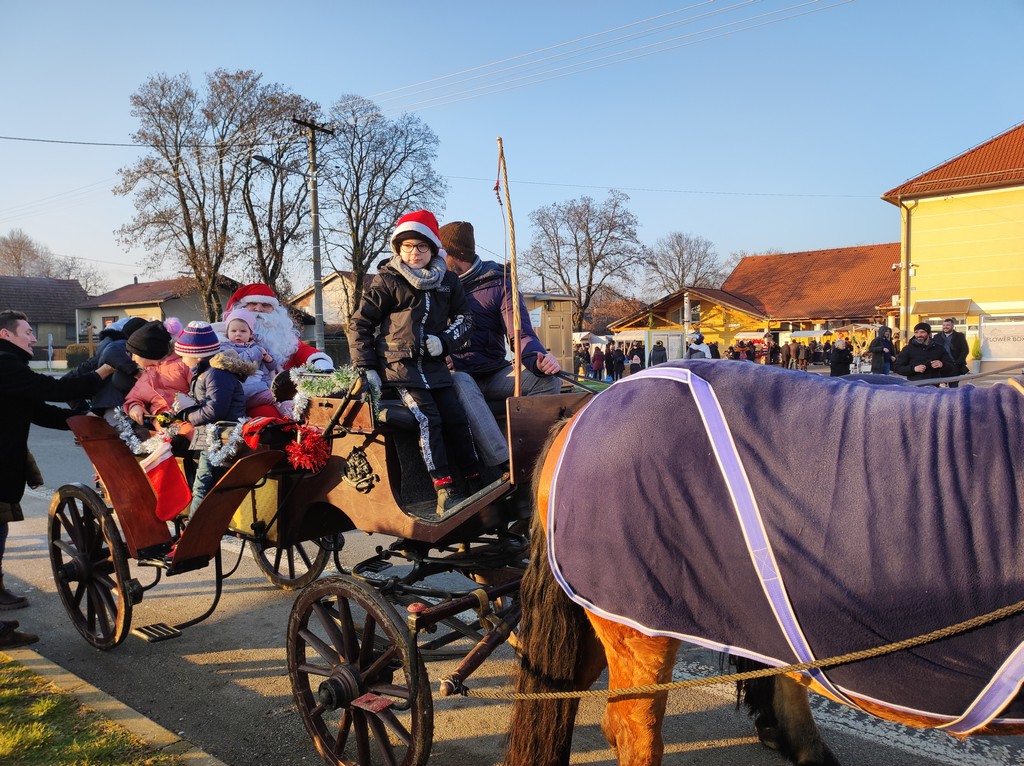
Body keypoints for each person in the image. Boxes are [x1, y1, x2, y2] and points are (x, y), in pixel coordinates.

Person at [351, 211, 481, 514]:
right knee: (428, 420)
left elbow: (466, 319)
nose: (414, 253)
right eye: (408, 246)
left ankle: (476, 481)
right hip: (399, 370)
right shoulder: (387, 280)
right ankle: (444, 489)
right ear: (399, 249)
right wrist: (366, 367)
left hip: (435, 369)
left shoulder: (448, 281)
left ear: (433, 249)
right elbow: (360, 324)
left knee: (457, 419)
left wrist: (446, 341)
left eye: (421, 247)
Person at [0, 310, 115, 647]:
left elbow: (38, 411)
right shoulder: (4, 365)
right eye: (27, 332)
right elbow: (55, 388)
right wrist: (104, 371)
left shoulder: (10, 367)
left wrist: (82, 421)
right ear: (5, 335)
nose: (33, 338)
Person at [437, 221, 560, 474]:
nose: (436, 258)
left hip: (494, 373)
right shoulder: (437, 285)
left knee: (548, 381)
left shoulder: (499, 282)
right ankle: (505, 464)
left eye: (441, 252)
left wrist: (537, 360)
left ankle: (538, 460)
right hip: (459, 376)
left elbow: (521, 334)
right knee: (461, 381)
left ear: (455, 255)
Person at [160, 322, 251, 515]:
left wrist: (186, 415)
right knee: (186, 463)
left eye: (183, 355)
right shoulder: (205, 372)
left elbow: (214, 410)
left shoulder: (216, 373)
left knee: (203, 483)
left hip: (221, 434)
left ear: (195, 354)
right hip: (210, 432)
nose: (182, 359)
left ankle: (194, 533)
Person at [220, 283, 334, 373]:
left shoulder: (285, 338)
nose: (259, 309)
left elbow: (302, 350)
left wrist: (318, 361)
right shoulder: (224, 337)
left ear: (275, 311)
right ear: (241, 307)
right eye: (252, 303)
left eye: (265, 305)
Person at [123, 319, 192, 429]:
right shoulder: (147, 374)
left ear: (149, 352)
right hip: (161, 426)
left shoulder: (183, 364)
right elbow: (134, 396)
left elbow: (199, 392)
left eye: (135, 354)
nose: (133, 359)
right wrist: (135, 406)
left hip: (186, 421)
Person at [221, 307, 289, 415]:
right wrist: (256, 352)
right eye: (233, 331)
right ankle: (289, 413)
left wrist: (269, 360)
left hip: (260, 387)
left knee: (282, 397)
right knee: (276, 397)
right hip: (243, 390)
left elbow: (272, 367)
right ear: (227, 332)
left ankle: (291, 415)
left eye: (243, 331)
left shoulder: (258, 345)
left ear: (251, 333)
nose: (238, 334)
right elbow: (237, 363)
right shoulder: (225, 348)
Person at [935, 318, 969, 388]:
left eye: (948, 325)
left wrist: (958, 362)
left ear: (952, 326)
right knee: (940, 388)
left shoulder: (960, 336)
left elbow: (965, 350)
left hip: (954, 366)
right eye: (944, 325)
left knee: (954, 387)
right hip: (941, 366)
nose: (945, 327)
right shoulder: (936, 337)